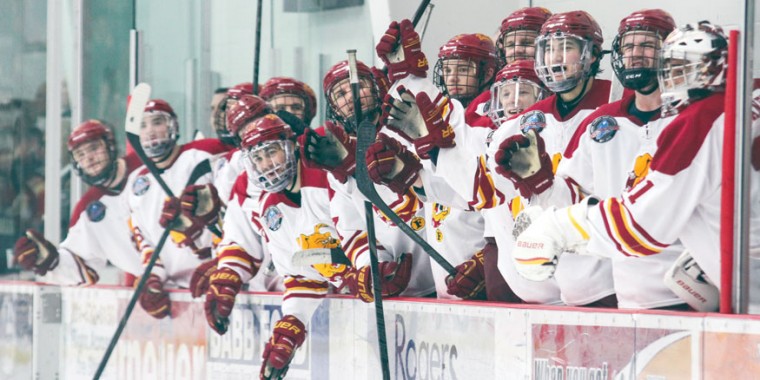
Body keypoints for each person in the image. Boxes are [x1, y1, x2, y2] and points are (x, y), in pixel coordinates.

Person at [511, 21, 760, 312]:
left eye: (682, 67)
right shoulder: (747, 107)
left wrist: (556, 229)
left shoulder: (705, 119)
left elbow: (640, 224)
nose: (671, 77)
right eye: (669, 67)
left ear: (713, 70)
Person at [200, 115, 412, 379]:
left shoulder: (325, 176)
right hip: (360, 308)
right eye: (259, 159)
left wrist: (369, 268)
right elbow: (302, 276)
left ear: (291, 147)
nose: (267, 165)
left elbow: (364, 229)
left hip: (405, 281)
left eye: (272, 152)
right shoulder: (269, 210)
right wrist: (291, 325)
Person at [525, 10, 684, 310]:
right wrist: (539, 179)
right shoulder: (602, 122)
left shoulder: (689, 118)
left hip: (685, 293)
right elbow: (571, 195)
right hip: (628, 296)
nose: (636, 54)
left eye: (648, 45)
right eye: (629, 46)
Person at [126, 99, 228, 318]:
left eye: (157, 122)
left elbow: (235, 212)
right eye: (143, 126)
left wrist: (224, 264)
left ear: (174, 125)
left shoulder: (204, 155)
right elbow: (147, 244)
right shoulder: (137, 183)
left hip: (223, 285)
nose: (150, 131)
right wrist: (152, 280)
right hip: (178, 295)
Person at [13, 120, 144, 285]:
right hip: (151, 293)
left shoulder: (145, 164)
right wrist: (48, 260)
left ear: (110, 146)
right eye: (80, 155)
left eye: (94, 148)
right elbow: (80, 267)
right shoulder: (86, 208)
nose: (89, 158)